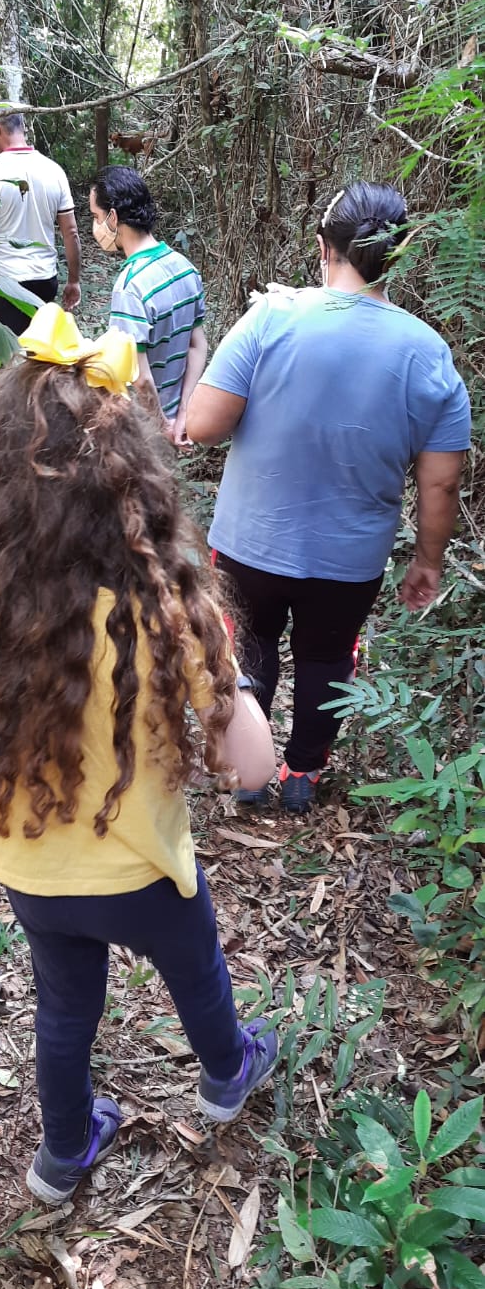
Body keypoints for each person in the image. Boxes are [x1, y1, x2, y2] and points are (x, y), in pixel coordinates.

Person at [0, 305, 277, 1204]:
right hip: (146, 873)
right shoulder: (166, 611)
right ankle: (227, 1074)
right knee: (198, 976)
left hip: (33, 870)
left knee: (65, 1011)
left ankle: (61, 1154)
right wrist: (234, 689)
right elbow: (259, 766)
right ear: (137, 484)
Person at [187, 181, 471, 816]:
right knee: (326, 654)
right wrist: (427, 561)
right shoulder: (428, 353)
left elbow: (204, 425)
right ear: (395, 259)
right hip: (350, 558)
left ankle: (248, 770)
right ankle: (302, 773)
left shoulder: (272, 317)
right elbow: (441, 481)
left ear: (323, 249)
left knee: (249, 647)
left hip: (249, 542)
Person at [89, 166, 208, 446]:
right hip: (176, 422)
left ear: (113, 217)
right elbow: (197, 345)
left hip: (141, 431)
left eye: (96, 216)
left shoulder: (130, 287)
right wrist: (183, 413)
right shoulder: (186, 269)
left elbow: (138, 377)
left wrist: (160, 426)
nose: (94, 227)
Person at [0, 112, 81, 336]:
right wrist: (74, 281)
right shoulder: (54, 170)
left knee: (10, 358)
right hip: (44, 279)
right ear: (23, 127)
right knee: (39, 352)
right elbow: (70, 232)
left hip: (5, 284)